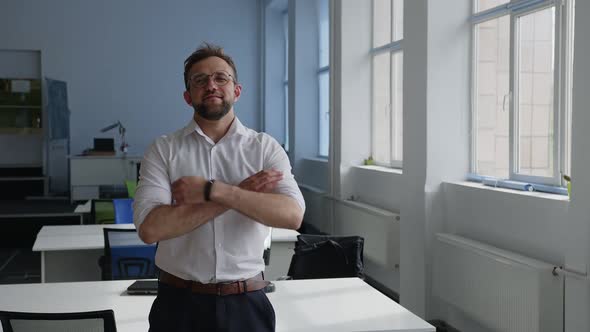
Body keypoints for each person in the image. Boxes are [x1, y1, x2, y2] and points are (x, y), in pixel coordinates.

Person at [133, 43, 305, 332]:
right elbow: (150, 229)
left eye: (221, 77)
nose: (210, 85)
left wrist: (219, 191)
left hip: (247, 303)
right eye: (199, 80)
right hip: (177, 305)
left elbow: (292, 216)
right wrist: (241, 194)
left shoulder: (264, 147)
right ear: (188, 97)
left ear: (236, 90)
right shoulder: (163, 150)